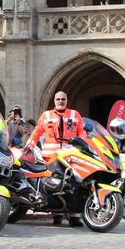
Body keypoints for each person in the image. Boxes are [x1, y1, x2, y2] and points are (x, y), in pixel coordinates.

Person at [24, 91, 87, 227]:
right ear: (54, 101)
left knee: (74, 185)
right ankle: (56, 214)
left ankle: (74, 216)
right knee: (54, 185)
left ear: (67, 100)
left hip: (70, 156)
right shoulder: (46, 115)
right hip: (50, 157)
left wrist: (85, 145)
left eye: (63, 99)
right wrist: (29, 146)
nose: (60, 101)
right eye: (58, 99)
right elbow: (37, 132)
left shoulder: (74, 115)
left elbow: (82, 132)